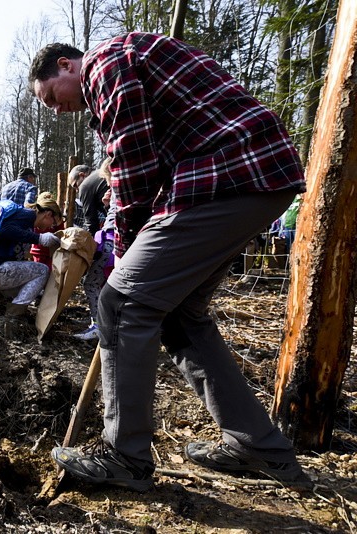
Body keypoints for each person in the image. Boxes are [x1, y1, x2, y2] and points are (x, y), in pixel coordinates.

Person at [30, 34, 306, 491]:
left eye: (51, 97)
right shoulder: (123, 69)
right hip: (250, 179)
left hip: (228, 175)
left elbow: (135, 167)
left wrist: (124, 249)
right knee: (178, 314)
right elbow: (146, 161)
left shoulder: (106, 63)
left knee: (120, 303)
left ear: (66, 65)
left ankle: (125, 455)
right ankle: (257, 443)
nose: (56, 110)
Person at [0, 194, 61, 317]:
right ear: (48, 214)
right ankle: (13, 316)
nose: (51, 227)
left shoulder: (26, 221)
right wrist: (38, 238)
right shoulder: (27, 215)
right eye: (53, 222)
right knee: (42, 271)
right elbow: (4, 230)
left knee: (25, 279)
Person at [71, 159, 112, 340]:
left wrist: (85, 249)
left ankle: (99, 325)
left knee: (90, 282)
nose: (76, 191)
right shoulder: (105, 182)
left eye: (74, 186)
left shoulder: (87, 184)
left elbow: (91, 222)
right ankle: (108, 322)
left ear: (82, 176)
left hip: (112, 238)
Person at [29, 192, 65, 270]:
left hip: (47, 252)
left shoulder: (53, 218)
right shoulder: (38, 220)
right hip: (41, 252)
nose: (51, 226)